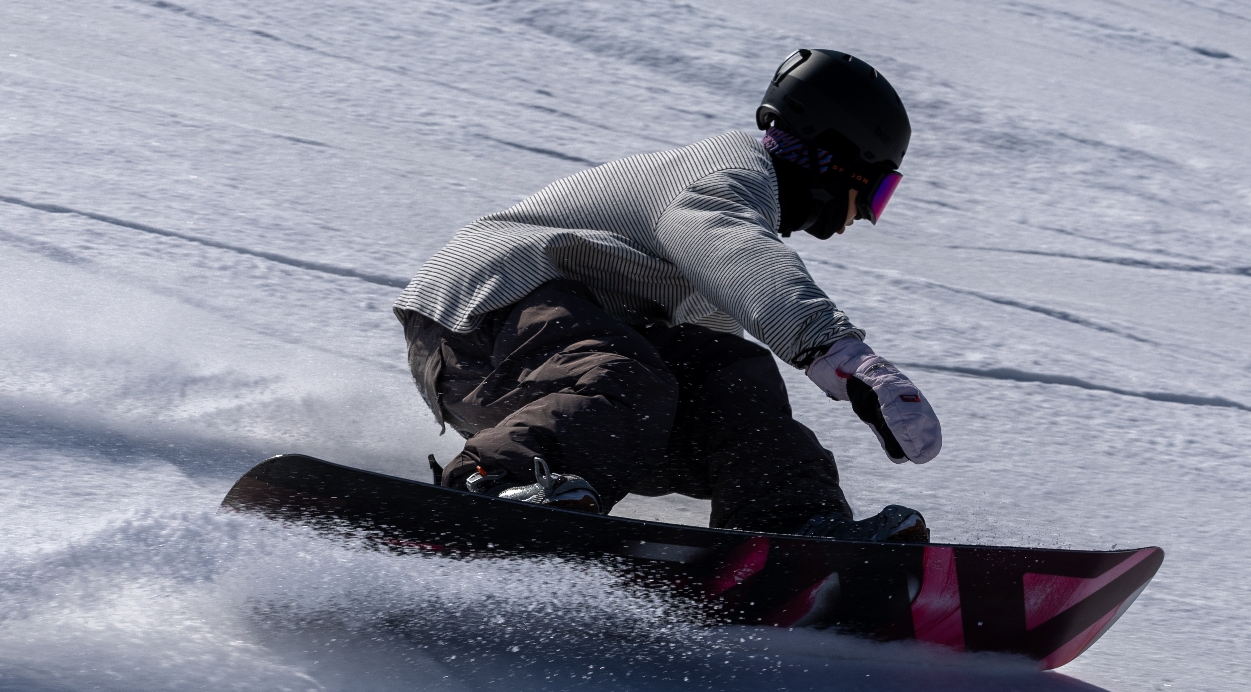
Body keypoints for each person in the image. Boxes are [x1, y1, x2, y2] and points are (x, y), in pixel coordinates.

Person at [394, 48, 942, 544]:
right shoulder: (722, 178)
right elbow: (739, 254)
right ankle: (492, 482)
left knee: (733, 378)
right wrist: (845, 359)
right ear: (837, 162)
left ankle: (786, 528)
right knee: (630, 375)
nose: (865, 217)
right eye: (878, 190)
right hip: (479, 319)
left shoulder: (724, 239)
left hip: (558, 357)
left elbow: (714, 366)